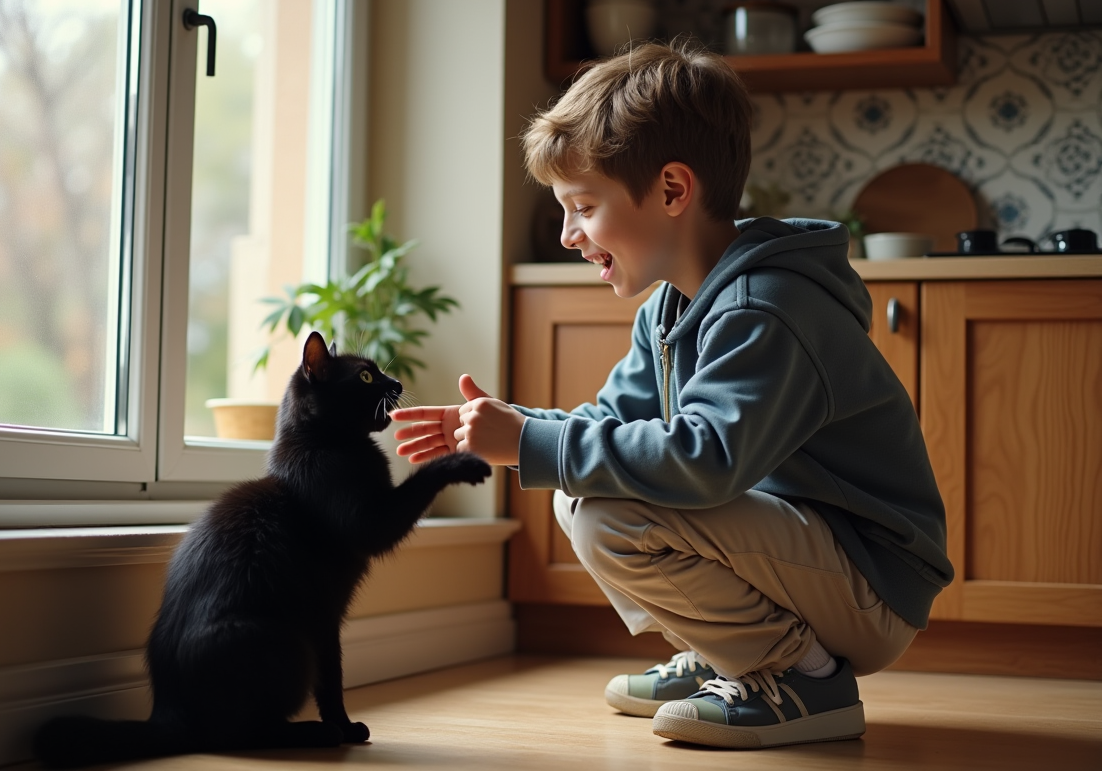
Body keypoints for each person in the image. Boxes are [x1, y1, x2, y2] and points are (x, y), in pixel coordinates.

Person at [389, 40, 952, 750]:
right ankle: (736, 653)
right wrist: (509, 428)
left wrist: (532, 444)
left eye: (583, 207)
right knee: (579, 488)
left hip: (872, 582)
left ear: (673, 191)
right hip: (811, 558)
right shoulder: (671, 307)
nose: (568, 234)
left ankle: (799, 675)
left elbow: (706, 459)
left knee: (605, 515)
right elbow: (609, 426)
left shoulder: (765, 309)